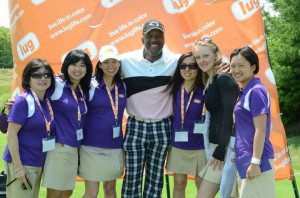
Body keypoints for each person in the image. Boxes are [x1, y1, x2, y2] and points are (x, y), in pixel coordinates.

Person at [120, 19, 179, 198]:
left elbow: (201, 66)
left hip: (162, 126)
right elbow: (101, 75)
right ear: (142, 39)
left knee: (155, 178)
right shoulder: (125, 61)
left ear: (164, 38)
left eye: (158, 36)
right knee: (132, 177)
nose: (154, 40)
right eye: (150, 36)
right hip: (136, 124)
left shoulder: (176, 61)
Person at [42, 49, 93, 198]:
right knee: (55, 193)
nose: (78, 69)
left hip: (74, 148)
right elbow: (34, 95)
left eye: (82, 65)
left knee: (67, 192)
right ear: (66, 66)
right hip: (58, 147)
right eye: (74, 64)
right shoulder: (56, 85)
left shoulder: (82, 90)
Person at [2, 58, 55, 198]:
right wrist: (18, 168)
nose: (43, 78)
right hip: (23, 163)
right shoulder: (23, 101)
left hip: (37, 162)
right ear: (28, 78)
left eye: (46, 75)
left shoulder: (46, 102)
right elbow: (11, 135)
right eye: (37, 75)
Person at [194, 37, 239, 198]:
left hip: (225, 149)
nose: (201, 60)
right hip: (215, 146)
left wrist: (220, 149)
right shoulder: (212, 79)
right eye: (198, 57)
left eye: (205, 56)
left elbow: (229, 115)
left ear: (216, 55)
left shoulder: (223, 79)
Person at [80, 45, 126, 198]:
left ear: (119, 64)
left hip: (114, 146)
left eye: (114, 61)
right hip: (91, 147)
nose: (110, 66)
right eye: (106, 62)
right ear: (99, 64)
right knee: (92, 192)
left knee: (110, 190)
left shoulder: (123, 86)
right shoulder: (90, 85)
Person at [230, 46, 275, 198]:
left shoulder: (256, 91)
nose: (236, 70)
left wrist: (255, 162)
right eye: (233, 66)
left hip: (257, 162)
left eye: (241, 65)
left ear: (253, 67)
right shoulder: (244, 91)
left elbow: (260, 130)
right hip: (245, 160)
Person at [165, 52, 206, 198]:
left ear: (199, 68)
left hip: (200, 146)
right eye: (183, 66)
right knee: (179, 183)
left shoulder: (205, 88)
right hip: (178, 146)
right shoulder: (174, 88)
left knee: (202, 186)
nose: (187, 69)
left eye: (192, 66)